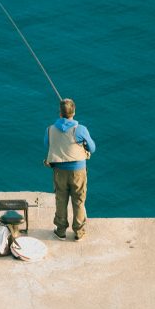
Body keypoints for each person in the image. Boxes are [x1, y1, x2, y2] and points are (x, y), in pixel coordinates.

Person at [44, 98, 95, 241]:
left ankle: (60, 231)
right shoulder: (81, 129)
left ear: (60, 113)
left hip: (59, 171)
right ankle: (78, 232)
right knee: (78, 200)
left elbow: (47, 144)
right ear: (74, 112)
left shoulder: (50, 129)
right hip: (78, 171)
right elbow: (92, 148)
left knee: (61, 200)